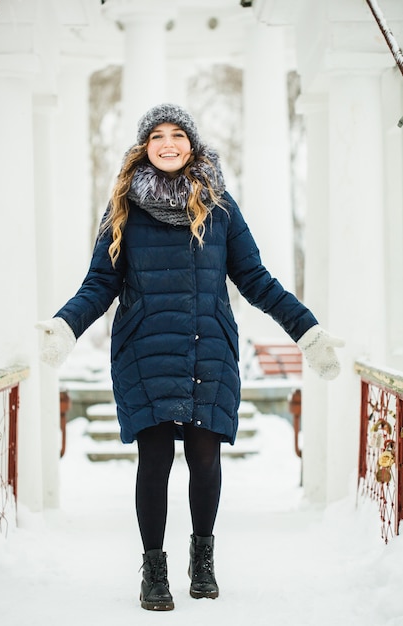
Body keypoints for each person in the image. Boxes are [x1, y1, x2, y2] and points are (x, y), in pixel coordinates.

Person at [36, 103, 344, 612]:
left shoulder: (220, 207)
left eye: (178, 133)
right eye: (157, 135)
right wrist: (66, 324)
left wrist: (306, 331)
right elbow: (101, 282)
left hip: (208, 349)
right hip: (145, 348)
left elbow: (255, 279)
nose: (168, 143)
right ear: (144, 146)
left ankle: (202, 559)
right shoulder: (123, 209)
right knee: (154, 460)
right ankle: (152, 570)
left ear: (193, 144)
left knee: (205, 457)